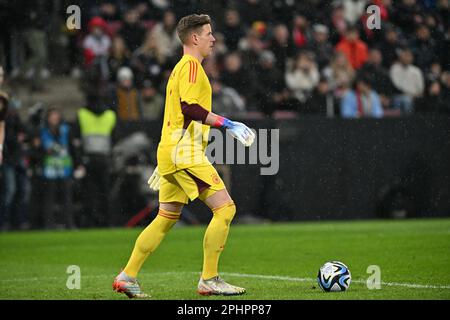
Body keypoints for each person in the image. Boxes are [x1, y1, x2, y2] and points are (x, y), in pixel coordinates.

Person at [113, 14, 255, 298]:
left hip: (172, 150)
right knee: (225, 209)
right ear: (194, 38)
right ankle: (210, 279)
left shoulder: (180, 69)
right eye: (209, 34)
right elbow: (189, 107)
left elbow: (176, 113)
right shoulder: (191, 66)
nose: (213, 39)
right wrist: (227, 124)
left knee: (165, 217)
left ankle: (127, 276)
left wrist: (165, 161)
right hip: (182, 151)